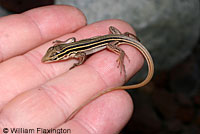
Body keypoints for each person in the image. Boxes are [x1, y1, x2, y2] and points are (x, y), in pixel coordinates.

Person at [0, 5, 144, 134]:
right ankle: (126, 37)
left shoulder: (75, 52)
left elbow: (81, 55)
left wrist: (79, 64)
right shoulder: (71, 49)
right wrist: (63, 43)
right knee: (115, 31)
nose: (48, 59)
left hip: (111, 41)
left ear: (63, 55)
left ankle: (123, 51)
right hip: (116, 35)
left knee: (110, 46)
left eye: (54, 57)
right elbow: (74, 42)